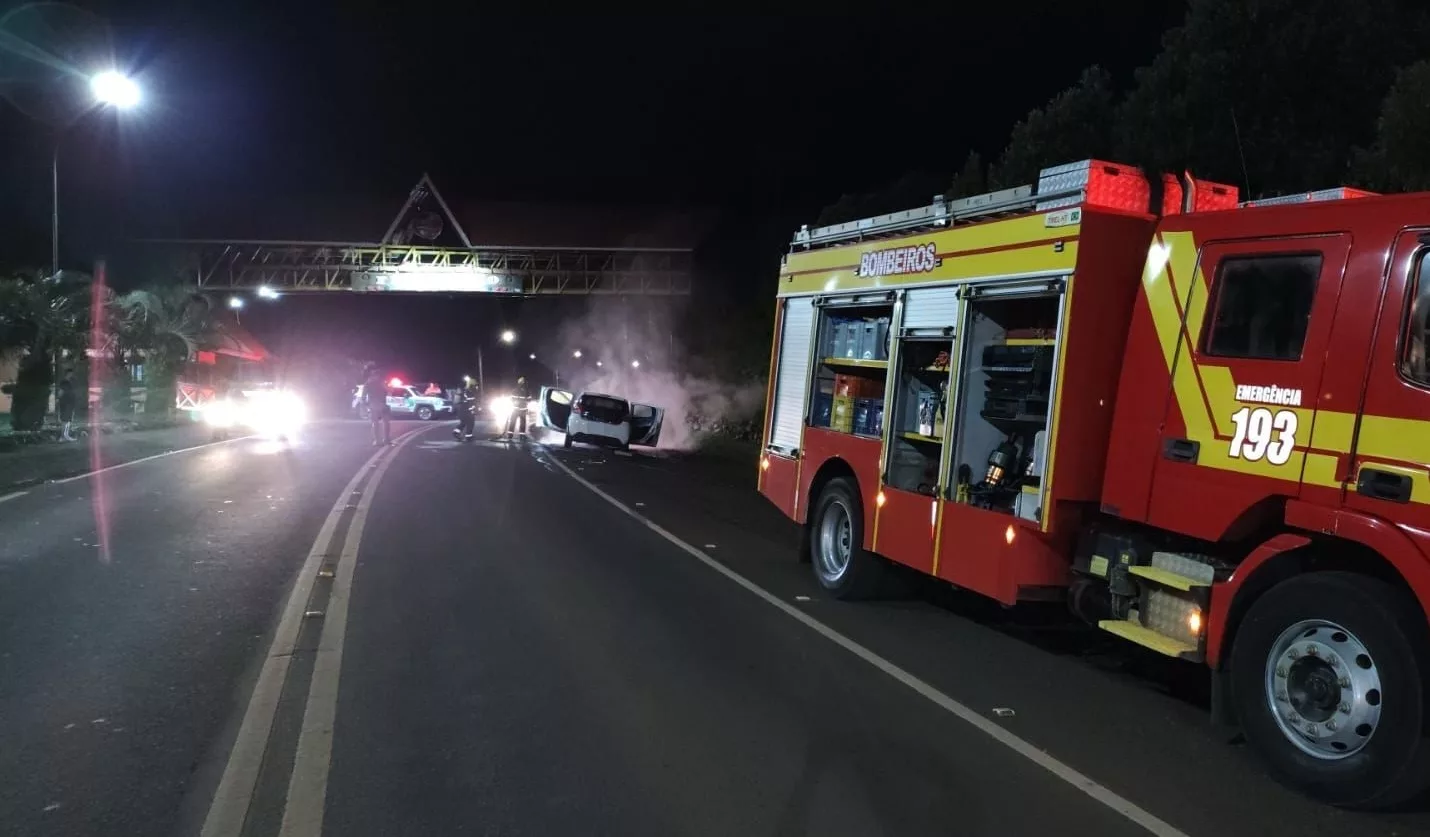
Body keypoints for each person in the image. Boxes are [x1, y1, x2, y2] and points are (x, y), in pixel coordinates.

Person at [362, 363, 391, 446]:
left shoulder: (367, 383)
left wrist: (365, 405)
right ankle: (386, 439)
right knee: (386, 422)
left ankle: (377, 440)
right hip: (382, 404)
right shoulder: (381, 382)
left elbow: (363, 396)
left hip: (373, 405)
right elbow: (389, 390)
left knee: (375, 423)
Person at [57, 373, 77, 442]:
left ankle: (66, 436)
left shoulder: (70, 382)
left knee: (68, 420)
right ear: (67, 374)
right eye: (70, 374)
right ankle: (63, 437)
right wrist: (60, 401)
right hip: (65, 404)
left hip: (69, 404)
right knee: (65, 420)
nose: (72, 375)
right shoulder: (64, 382)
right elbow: (60, 393)